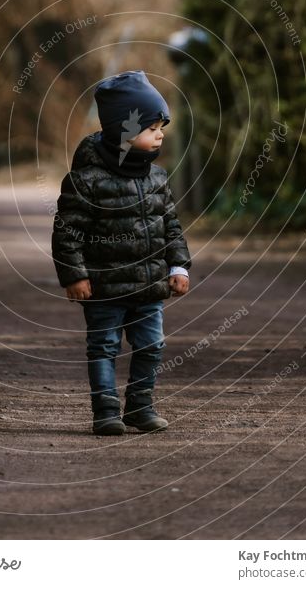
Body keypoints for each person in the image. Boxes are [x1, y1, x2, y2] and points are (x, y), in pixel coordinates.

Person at [51, 70, 192, 436]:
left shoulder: (157, 178)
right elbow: (67, 233)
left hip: (148, 286)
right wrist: (75, 274)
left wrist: (178, 265)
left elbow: (171, 227)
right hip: (104, 288)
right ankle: (106, 412)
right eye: (152, 127)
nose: (161, 133)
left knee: (151, 346)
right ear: (124, 132)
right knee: (104, 347)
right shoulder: (87, 180)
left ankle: (140, 407)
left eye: (162, 125)